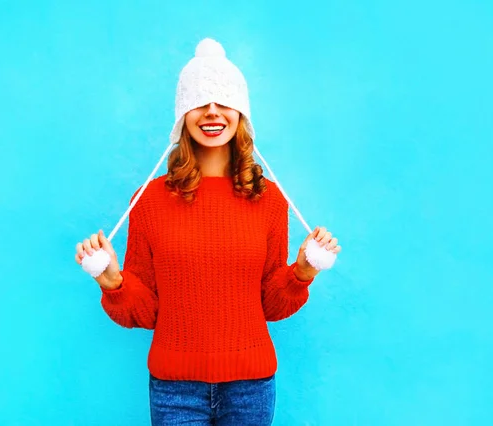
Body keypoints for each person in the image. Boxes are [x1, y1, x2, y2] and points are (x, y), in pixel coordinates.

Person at [75, 38, 341, 426]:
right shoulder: (149, 200)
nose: (211, 111)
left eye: (222, 101)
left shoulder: (269, 200)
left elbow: (270, 304)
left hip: (251, 387)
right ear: (182, 115)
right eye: (199, 101)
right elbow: (146, 312)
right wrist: (112, 280)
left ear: (240, 114)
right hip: (175, 389)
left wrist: (303, 271)